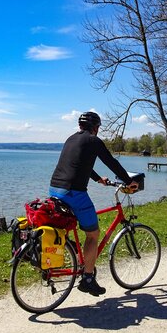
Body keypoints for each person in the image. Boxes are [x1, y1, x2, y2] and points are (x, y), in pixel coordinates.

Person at [49, 111, 138, 296]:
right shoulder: (94, 140)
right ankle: (88, 278)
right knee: (92, 234)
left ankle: (73, 253)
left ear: (80, 126)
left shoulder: (71, 139)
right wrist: (128, 181)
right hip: (74, 193)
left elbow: (80, 164)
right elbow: (111, 162)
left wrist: (98, 179)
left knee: (70, 225)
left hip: (55, 189)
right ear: (96, 127)